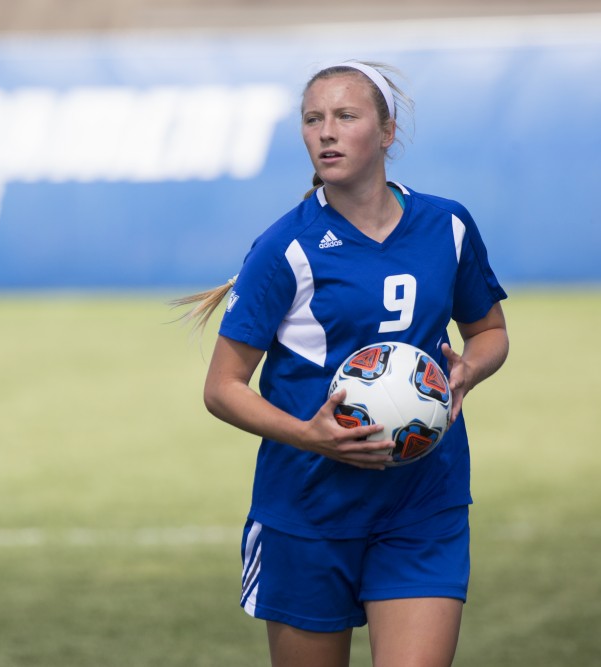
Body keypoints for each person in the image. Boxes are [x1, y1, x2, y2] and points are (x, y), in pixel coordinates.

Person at [173, 60, 509, 667]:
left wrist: (467, 371)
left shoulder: (447, 226)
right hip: (309, 509)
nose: (326, 132)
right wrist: (310, 435)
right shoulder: (285, 247)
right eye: (312, 119)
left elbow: (489, 332)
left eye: (345, 116)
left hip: (423, 500)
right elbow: (222, 387)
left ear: (386, 132)